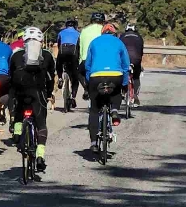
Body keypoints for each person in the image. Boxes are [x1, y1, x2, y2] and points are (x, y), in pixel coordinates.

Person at [7, 26, 57, 172]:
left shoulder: (16, 55)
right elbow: (50, 78)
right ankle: (40, 155)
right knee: (41, 124)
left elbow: (11, 76)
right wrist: (48, 94)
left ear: (24, 40)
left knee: (19, 109)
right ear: (41, 41)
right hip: (38, 93)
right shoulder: (47, 55)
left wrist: (13, 94)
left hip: (21, 92)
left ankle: (17, 133)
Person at [83, 25, 133, 153]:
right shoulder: (119, 42)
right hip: (115, 75)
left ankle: (94, 143)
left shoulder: (94, 42)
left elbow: (87, 65)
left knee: (94, 110)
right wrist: (124, 84)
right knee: (116, 93)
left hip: (96, 76)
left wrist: (89, 83)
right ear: (114, 33)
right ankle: (115, 110)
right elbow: (126, 65)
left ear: (102, 33)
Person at [54, 19, 81, 109]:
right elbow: (79, 46)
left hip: (63, 51)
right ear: (74, 26)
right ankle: (73, 97)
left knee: (58, 64)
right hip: (73, 54)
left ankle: (60, 78)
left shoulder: (61, 33)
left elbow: (58, 44)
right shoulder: (78, 34)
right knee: (75, 77)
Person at [119, 23, 145, 106]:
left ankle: (122, 91)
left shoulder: (122, 36)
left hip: (124, 58)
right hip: (136, 59)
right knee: (136, 77)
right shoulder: (139, 37)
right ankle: (135, 95)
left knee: (120, 74)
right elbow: (141, 52)